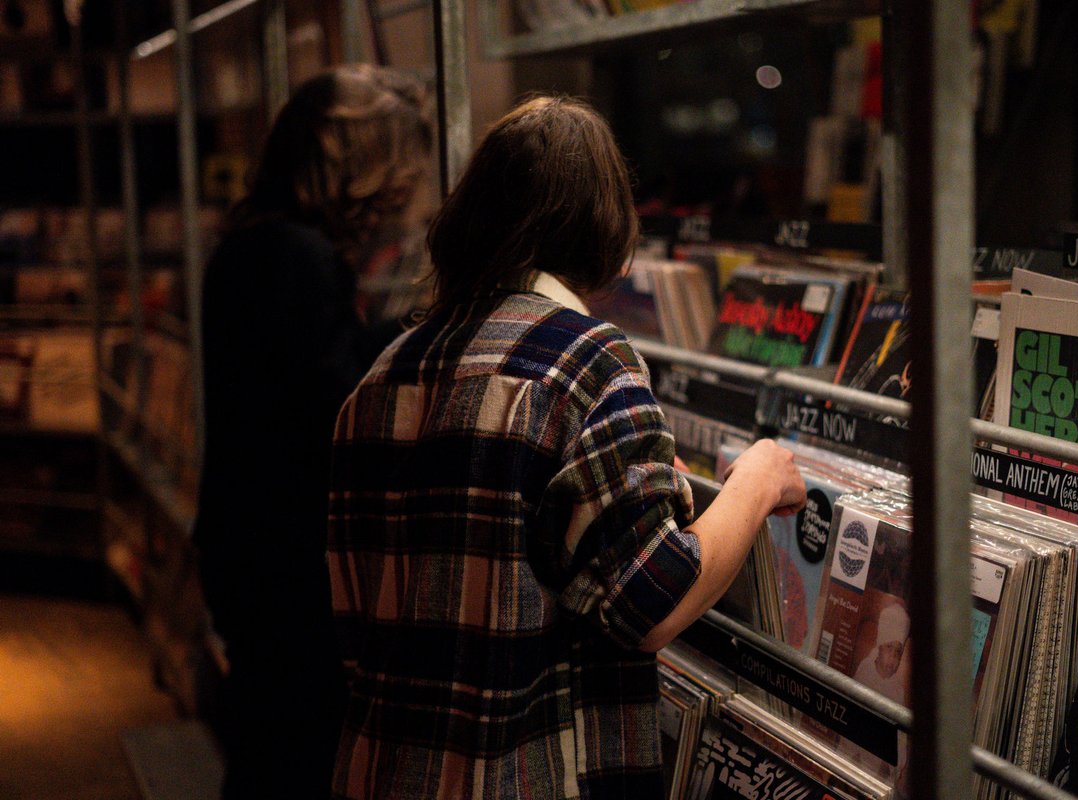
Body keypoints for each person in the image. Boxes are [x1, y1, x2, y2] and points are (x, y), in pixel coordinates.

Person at [326, 94, 807, 800]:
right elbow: (652, 605)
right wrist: (757, 481)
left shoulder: (382, 372)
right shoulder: (587, 365)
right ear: (606, 230)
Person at [194, 64, 432, 800]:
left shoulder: (256, 241)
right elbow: (331, 403)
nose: (406, 186)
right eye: (398, 163)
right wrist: (422, 327)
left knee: (270, 746)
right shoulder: (292, 258)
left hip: (250, 552)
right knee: (292, 757)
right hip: (284, 567)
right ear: (357, 162)